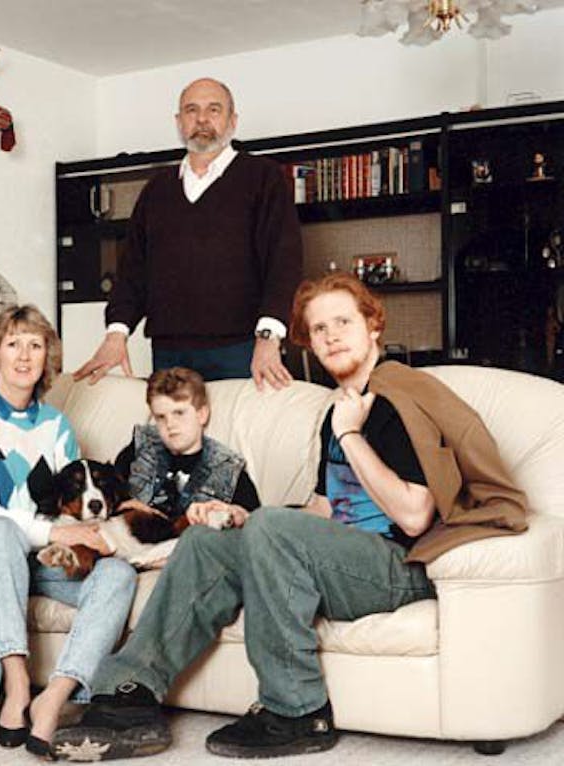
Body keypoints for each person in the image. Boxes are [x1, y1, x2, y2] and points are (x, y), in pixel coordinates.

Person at [51, 272, 527, 761]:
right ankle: (132, 692)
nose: (331, 336)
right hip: (337, 559)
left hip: (397, 567)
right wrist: (242, 516)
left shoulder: (395, 402)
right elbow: (322, 508)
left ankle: (299, 711)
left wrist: (351, 436)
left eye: (343, 322)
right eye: (319, 329)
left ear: (373, 326)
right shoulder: (338, 411)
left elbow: (413, 515)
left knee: (271, 527)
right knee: (204, 540)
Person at [0, 304, 138, 757]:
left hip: (43, 561)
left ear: (47, 358)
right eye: (13, 344)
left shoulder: (57, 426)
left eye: (35, 345)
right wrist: (53, 535)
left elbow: (69, 509)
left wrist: (91, 536)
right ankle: (16, 683)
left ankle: (55, 695)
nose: (24, 355)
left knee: (119, 575)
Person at [73, 77, 302, 388]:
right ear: (179, 122)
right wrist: (116, 334)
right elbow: (132, 273)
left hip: (242, 349)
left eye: (214, 109)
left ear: (233, 121)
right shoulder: (157, 190)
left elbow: (283, 263)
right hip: (169, 351)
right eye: (192, 110)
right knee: (170, 422)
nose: (202, 119)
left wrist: (268, 338)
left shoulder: (264, 178)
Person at [100, 366, 260, 556]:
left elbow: (255, 529)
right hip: (124, 548)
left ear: (202, 414)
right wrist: (125, 504)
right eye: (161, 417)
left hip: (188, 557)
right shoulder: (137, 451)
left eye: (179, 413)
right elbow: (103, 497)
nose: (170, 424)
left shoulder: (229, 470)